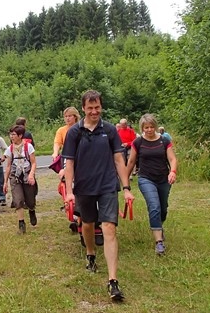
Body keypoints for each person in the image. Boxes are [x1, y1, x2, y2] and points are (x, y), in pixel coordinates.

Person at [62, 90, 134, 301]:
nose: (94, 111)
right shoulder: (74, 132)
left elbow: (119, 161)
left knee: (109, 227)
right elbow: (69, 163)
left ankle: (113, 281)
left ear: (101, 107)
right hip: (84, 187)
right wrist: (68, 192)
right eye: (90, 108)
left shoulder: (110, 130)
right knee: (87, 224)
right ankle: (91, 253)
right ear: (83, 108)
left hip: (107, 186)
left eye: (97, 107)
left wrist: (127, 187)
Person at [126, 114, 178, 255]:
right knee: (154, 206)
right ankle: (159, 242)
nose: (149, 130)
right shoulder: (138, 142)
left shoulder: (164, 140)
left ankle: (159, 226)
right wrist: (125, 182)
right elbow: (131, 162)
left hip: (163, 178)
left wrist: (172, 172)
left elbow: (172, 159)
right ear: (142, 128)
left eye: (151, 127)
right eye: (146, 127)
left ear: (155, 126)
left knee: (163, 209)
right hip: (145, 178)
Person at [3, 125, 37, 234]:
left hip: (27, 174)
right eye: (10, 134)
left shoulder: (28, 147)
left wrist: (31, 174)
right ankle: (21, 224)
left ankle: (32, 210)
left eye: (13, 134)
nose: (11, 136)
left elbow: (33, 162)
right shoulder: (10, 149)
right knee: (18, 200)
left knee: (30, 200)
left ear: (20, 135)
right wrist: (5, 182)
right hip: (15, 176)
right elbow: (8, 166)